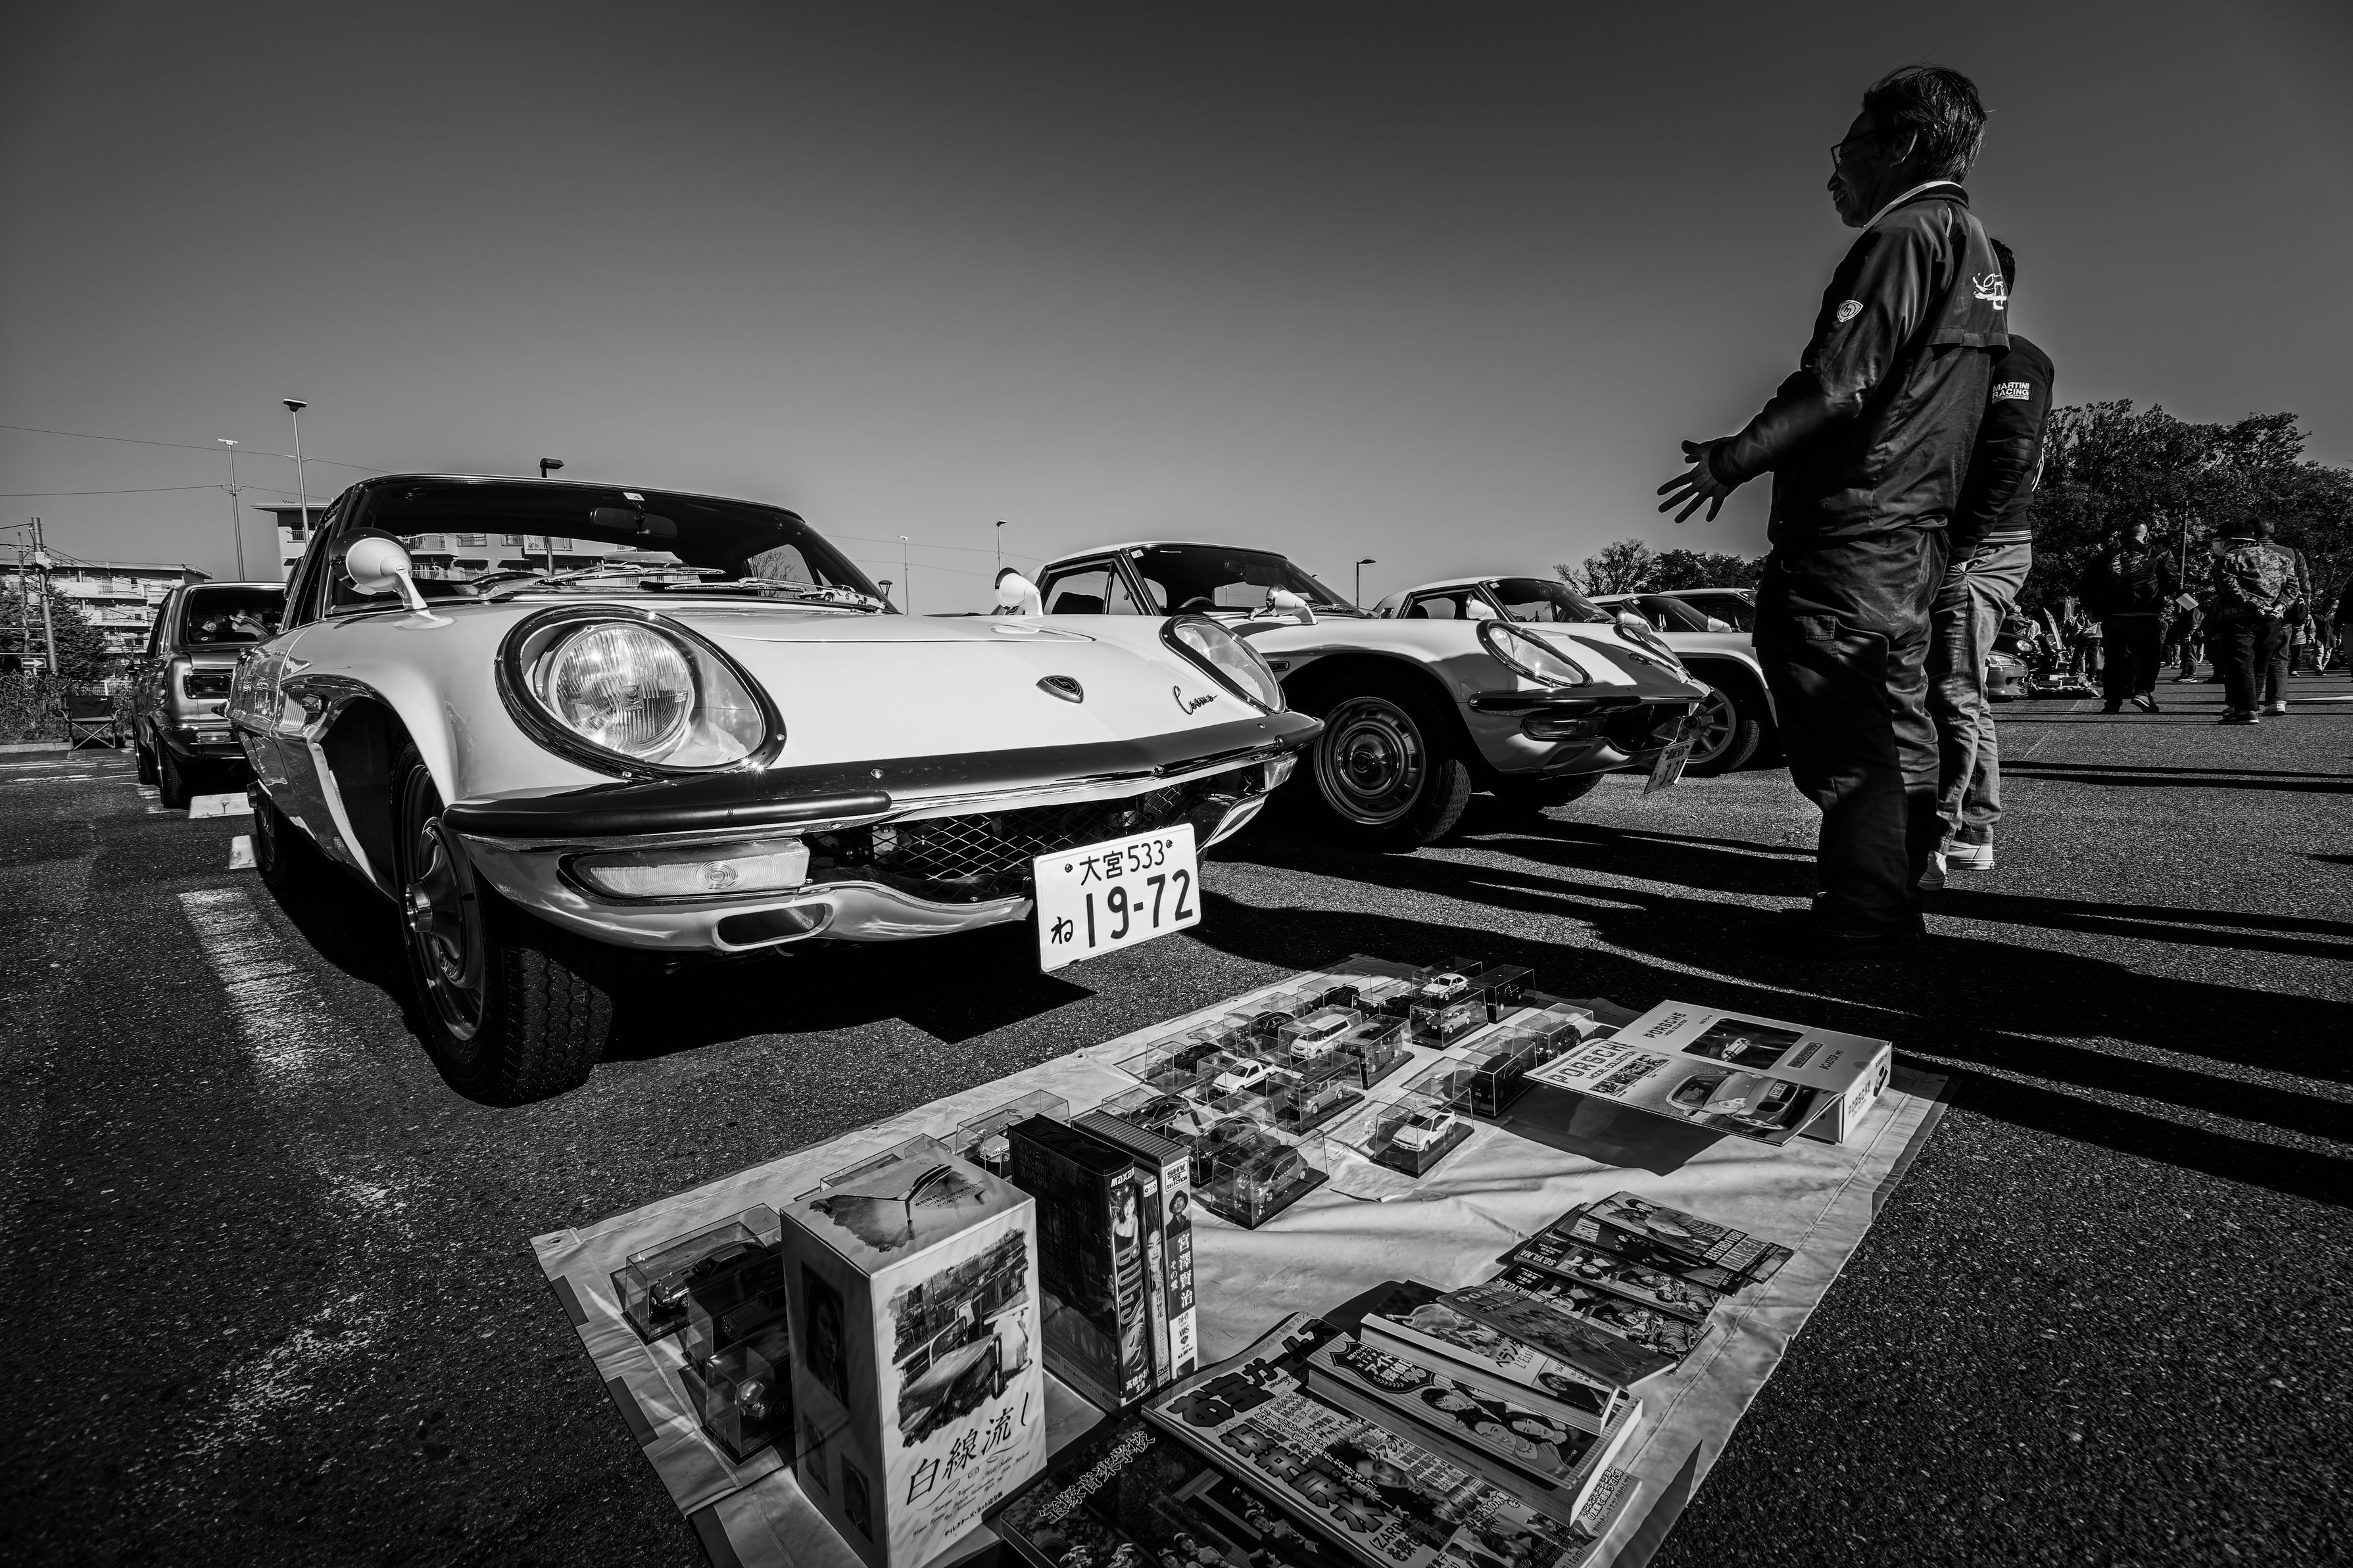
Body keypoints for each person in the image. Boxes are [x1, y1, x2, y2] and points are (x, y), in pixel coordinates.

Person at [1659, 65, 2005, 959]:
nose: (1832, 172)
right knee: (1896, 722)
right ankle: (1889, 899)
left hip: (1854, 532)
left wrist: (1730, 461)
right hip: (1910, 533)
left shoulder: (1903, 234)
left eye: (1844, 147)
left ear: (1901, 143)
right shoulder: (1973, 246)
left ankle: (1863, 919)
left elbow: (1840, 385)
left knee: (1847, 735)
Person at [1926, 237, 2049, 876]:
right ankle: (1972, 823)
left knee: (1951, 689)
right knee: (1956, 688)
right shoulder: (1949, 359)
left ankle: (1946, 832)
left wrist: (1962, 548)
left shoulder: (2013, 359)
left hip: (1982, 547)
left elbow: (2010, 455)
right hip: (1952, 544)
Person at [2075, 519, 2179, 713]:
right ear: (2146, 535)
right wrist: (2156, 596)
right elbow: (2172, 580)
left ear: (2121, 536)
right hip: (2145, 613)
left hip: (2113, 615)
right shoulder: (2159, 552)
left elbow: (2086, 585)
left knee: (2114, 659)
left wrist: (2092, 609)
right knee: (2148, 657)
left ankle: (2112, 701)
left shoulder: (2105, 557)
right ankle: (2143, 692)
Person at [2204, 519, 2300, 724]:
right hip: (2273, 618)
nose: (2216, 544)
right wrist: (2280, 606)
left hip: (2238, 617)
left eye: (2219, 540)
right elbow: (2293, 587)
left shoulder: (2230, 558)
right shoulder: (2280, 558)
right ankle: (2248, 706)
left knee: (2241, 663)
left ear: (2231, 540)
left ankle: (2245, 710)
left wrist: (2256, 605)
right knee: (2260, 664)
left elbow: (2229, 588)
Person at [2254, 519, 2313, 715]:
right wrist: (2304, 610)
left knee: (2251, 654)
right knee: (2280, 655)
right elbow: (2303, 584)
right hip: (2284, 609)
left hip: (2253, 609)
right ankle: (2277, 700)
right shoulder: (2292, 552)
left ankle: (2248, 701)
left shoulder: (2245, 552)